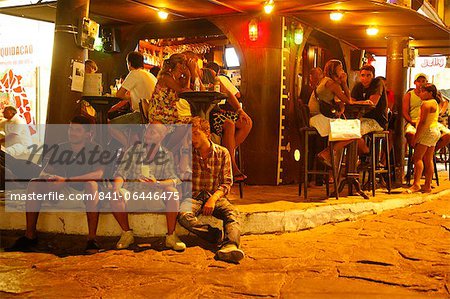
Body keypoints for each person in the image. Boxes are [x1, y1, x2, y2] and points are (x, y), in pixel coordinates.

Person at [6, 116, 132, 252]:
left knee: (91, 184)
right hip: (65, 188)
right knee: (34, 184)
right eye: (71, 128)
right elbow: (44, 172)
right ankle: (30, 235)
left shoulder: (96, 149)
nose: (72, 133)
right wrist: (51, 179)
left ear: (88, 134)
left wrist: (67, 180)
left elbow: (98, 175)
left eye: (78, 130)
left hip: (88, 191)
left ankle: (92, 239)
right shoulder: (61, 148)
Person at [178, 117, 244, 263]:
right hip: (193, 196)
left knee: (232, 213)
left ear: (207, 133)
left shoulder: (222, 152)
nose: (192, 138)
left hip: (214, 195)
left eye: (196, 134)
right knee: (183, 216)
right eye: (189, 135)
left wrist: (213, 199)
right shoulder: (187, 152)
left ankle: (231, 245)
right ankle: (214, 235)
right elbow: (182, 177)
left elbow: (227, 182)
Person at [112, 124, 185, 251]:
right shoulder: (133, 151)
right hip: (134, 194)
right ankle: (126, 234)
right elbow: (120, 173)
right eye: (147, 131)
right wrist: (116, 188)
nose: (148, 134)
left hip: (155, 197)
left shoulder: (166, 155)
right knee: (114, 194)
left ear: (162, 136)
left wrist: (156, 183)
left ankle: (171, 236)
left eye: (153, 132)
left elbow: (173, 179)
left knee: (172, 192)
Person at [309, 59, 372, 167]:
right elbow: (348, 100)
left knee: (352, 131)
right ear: (334, 71)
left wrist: (342, 108)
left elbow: (341, 102)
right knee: (354, 130)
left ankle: (337, 159)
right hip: (320, 120)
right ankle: (328, 153)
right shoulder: (332, 84)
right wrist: (344, 82)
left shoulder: (325, 81)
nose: (342, 71)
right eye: (340, 69)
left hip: (316, 117)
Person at [204, 62, 252, 180]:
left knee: (247, 122)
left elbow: (229, 94)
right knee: (229, 124)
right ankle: (232, 167)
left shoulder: (210, 75)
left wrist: (240, 110)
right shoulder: (190, 78)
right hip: (206, 113)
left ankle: (224, 158)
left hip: (217, 111)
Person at [110, 51, 157, 147]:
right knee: (132, 132)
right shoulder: (149, 74)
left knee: (110, 125)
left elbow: (119, 94)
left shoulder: (134, 73)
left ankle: (128, 147)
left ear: (129, 63)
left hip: (142, 114)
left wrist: (128, 97)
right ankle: (133, 149)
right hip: (151, 114)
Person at [403, 73, 450, 153]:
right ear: (415, 82)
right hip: (414, 121)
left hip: (430, 123)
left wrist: (439, 113)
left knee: (447, 134)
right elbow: (404, 112)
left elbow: (444, 102)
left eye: (424, 81)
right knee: (410, 134)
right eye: (419, 81)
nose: (421, 83)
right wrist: (411, 121)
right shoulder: (409, 95)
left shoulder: (431, 98)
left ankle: (430, 152)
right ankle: (421, 153)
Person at [408, 84, 441, 193]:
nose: (420, 93)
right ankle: (427, 185)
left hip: (427, 132)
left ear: (430, 93)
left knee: (417, 158)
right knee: (428, 159)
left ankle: (416, 184)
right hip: (435, 131)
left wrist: (416, 138)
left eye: (422, 91)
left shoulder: (426, 104)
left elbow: (422, 123)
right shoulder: (435, 103)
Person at [147, 53, 196, 124]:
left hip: (169, 112)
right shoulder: (166, 77)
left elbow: (187, 89)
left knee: (194, 120)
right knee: (191, 122)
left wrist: (190, 74)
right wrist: (190, 72)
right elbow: (182, 92)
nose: (186, 66)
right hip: (160, 113)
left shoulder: (177, 78)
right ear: (178, 65)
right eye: (185, 63)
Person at [351, 65, 388, 154]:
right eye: (363, 75)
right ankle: (360, 156)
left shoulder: (377, 83)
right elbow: (351, 102)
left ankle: (365, 152)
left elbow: (372, 103)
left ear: (373, 76)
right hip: (361, 119)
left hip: (378, 121)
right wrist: (363, 102)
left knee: (354, 131)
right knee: (347, 129)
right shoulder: (358, 86)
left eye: (368, 75)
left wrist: (357, 102)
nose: (365, 78)